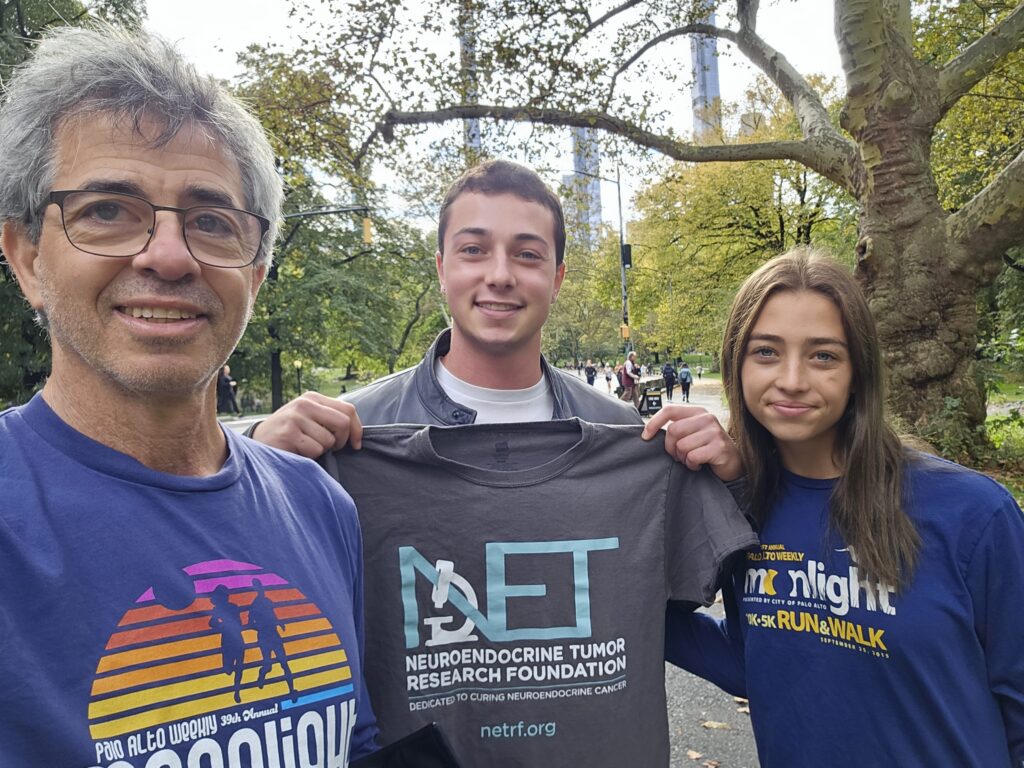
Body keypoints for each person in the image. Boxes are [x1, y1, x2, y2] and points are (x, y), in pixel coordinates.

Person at [250, 160, 751, 764]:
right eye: (473, 249)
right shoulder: (344, 443)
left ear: (559, 276)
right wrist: (255, 461)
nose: (500, 275)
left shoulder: (635, 442)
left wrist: (738, 477)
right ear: (441, 268)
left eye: (528, 254)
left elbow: (772, 609)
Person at [0, 25, 377, 765]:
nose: (168, 256)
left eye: (211, 221)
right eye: (107, 210)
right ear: (27, 258)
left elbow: (354, 742)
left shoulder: (319, 505)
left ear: (257, 274)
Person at [661, 249, 1024, 767]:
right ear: (735, 364)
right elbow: (762, 660)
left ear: (858, 371)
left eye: (823, 356)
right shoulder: (745, 507)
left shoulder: (974, 514)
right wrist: (616, 602)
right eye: (766, 352)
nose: (791, 379)